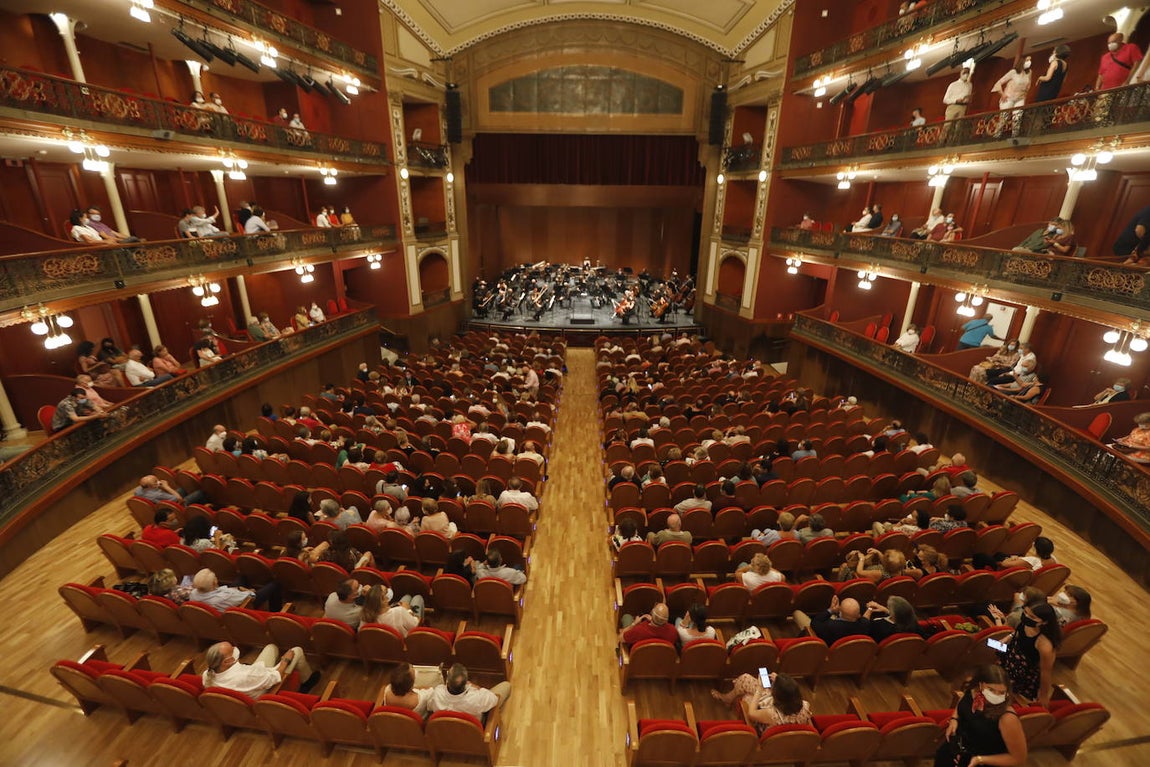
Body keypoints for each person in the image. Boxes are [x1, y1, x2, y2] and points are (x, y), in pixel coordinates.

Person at [934, 664, 1028, 767]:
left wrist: (979, 760)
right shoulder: (973, 691)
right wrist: (954, 718)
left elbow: (1018, 759)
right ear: (980, 685)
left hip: (982, 761)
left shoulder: (1007, 718)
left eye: (1001, 692)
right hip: (955, 749)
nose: (996, 696)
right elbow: (962, 702)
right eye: (991, 690)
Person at [202, 641, 318, 697]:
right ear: (227, 661)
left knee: (271, 648)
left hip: (253, 679)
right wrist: (285, 661)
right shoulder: (246, 675)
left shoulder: (206, 675)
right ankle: (307, 681)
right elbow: (275, 677)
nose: (235, 647)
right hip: (265, 688)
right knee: (296, 650)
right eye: (232, 649)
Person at [998, 602, 1060, 705]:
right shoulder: (1025, 622)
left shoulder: (1044, 644)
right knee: (988, 644)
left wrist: (1043, 695)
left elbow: (1046, 672)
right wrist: (1007, 638)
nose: (1026, 617)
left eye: (1032, 617)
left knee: (1006, 694)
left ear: (1044, 622)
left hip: (1022, 670)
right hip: (1011, 653)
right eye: (1025, 612)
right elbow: (1017, 633)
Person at [711, 672, 811, 732]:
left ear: (777, 695)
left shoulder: (771, 714)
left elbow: (751, 714)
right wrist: (780, 681)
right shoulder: (805, 705)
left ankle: (728, 699)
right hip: (778, 709)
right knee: (745, 679)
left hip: (766, 728)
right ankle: (728, 698)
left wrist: (759, 688)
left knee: (747, 697)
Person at [426, 663, 511, 719]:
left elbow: (429, 706)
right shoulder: (476, 698)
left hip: (448, 730)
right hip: (474, 728)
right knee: (506, 685)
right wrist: (477, 688)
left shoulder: (437, 692)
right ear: (466, 682)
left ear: (447, 682)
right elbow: (495, 700)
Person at [793, 595, 870, 642]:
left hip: (823, 644)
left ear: (840, 613)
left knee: (797, 613)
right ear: (859, 615)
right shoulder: (864, 625)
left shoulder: (829, 626)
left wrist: (831, 610)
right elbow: (865, 619)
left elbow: (814, 623)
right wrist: (870, 609)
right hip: (842, 656)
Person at [991, 58, 1031, 137]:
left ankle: (1014, 136)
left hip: (1020, 98)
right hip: (1009, 97)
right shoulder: (1013, 72)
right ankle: (997, 135)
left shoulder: (1029, 73)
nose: (1029, 62)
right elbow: (998, 83)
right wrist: (1002, 94)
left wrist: (1025, 94)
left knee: (1017, 117)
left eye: (1030, 60)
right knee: (1004, 117)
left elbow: (1029, 85)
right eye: (1027, 60)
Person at [941, 67, 973, 141]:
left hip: (963, 107)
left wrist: (968, 99)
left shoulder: (970, 85)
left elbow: (969, 95)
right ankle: (941, 141)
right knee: (948, 125)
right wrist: (956, 100)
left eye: (967, 73)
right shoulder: (953, 85)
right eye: (964, 73)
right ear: (960, 74)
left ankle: (954, 141)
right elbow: (945, 99)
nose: (966, 75)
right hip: (953, 106)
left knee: (959, 126)